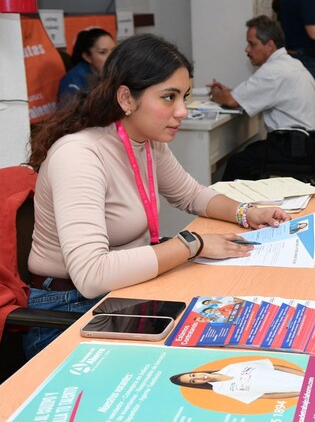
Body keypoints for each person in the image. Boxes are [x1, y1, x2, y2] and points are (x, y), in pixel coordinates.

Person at [26, 34, 290, 358]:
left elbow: (192, 195)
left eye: (184, 97)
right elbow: (91, 274)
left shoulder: (146, 141)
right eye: (169, 97)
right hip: (68, 311)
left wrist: (246, 212)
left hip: (124, 291)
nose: (182, 111)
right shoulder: (80, 156)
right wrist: (193, 245)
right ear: (126, 98)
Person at [207, 15, 315, 182]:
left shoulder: (273, 70)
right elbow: (248, 95)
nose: (247, 49)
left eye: (252, 44)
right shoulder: (291, 64)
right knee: (251, 153)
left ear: (270, 45)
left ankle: (229, 208)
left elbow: (232, 101)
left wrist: (215, 94)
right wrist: (229, 93)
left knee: (239, 163)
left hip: (295, 148)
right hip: (311, 146)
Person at [170, 359, 305, 403]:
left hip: (303, 376)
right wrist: (300, 393)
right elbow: (266, 396)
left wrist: (307, 376)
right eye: (193, 381)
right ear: (197, 385)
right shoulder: (220, 390)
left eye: (193, 375)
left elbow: (278, 367)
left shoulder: (232, 367)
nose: (198, 378)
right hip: (298, 391)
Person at [58, 28, 115, 100]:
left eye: (114, 50)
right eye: (103, 52)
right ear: (87, 57)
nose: (111, 57)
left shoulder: (117, 72)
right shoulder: (73, 81)